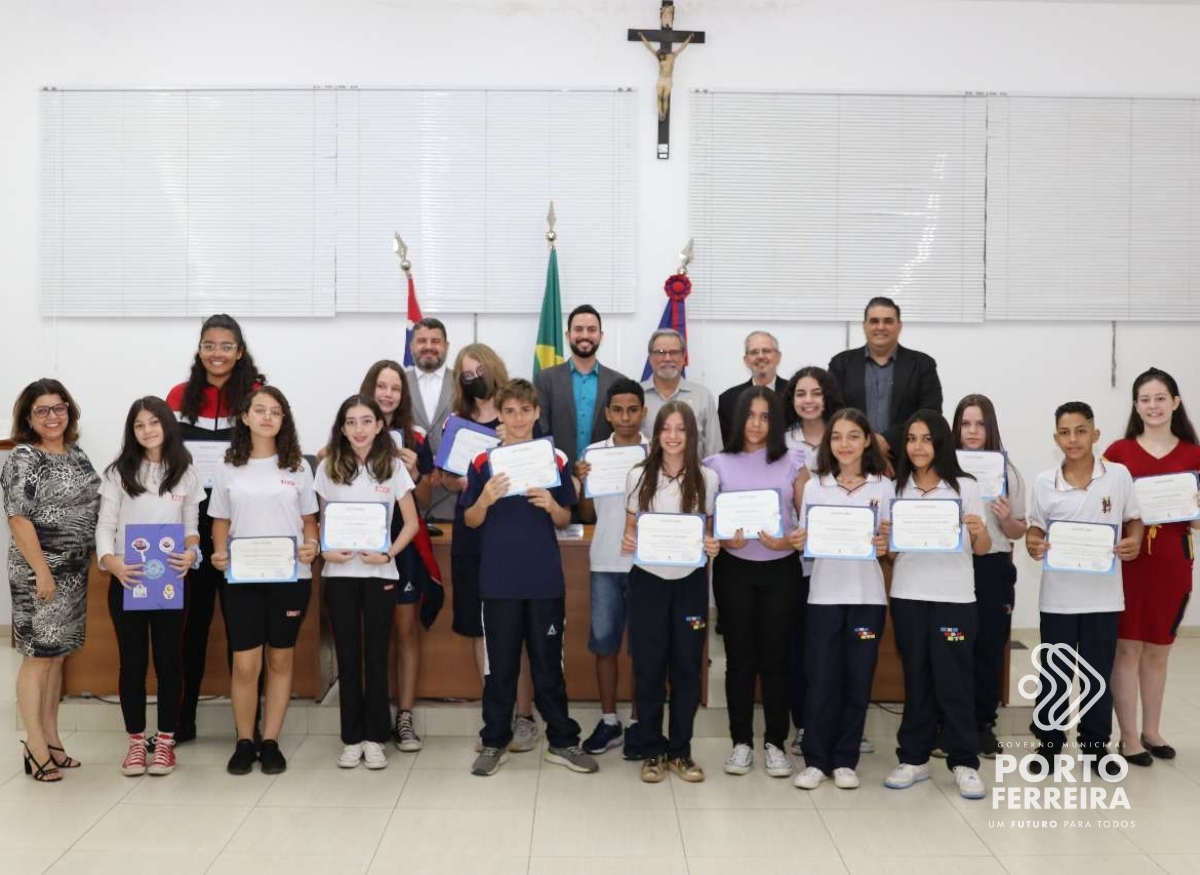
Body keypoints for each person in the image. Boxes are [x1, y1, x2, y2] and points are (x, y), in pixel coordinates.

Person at [463, 378, 597, 777]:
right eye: (510, 411)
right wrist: (485, 498)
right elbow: (470, 521)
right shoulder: (482, 463)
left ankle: (562, 741)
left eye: (525, 410)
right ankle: (494, 742)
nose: (518, 418)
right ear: (499, 417)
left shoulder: (553, 459)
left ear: (537, 413)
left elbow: (564, 518)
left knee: (547, 666)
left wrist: (553, 504)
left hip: (544, 582)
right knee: (499, 668)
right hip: (499, 582)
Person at [1026, 401, 1143, 774]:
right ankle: (1049, 745)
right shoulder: (1045, 481)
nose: (1072, 439)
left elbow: (1134, 521)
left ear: (1095, 434)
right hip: (1058, 598)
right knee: (1055, 676)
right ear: (1056, 437)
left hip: (1104, 598)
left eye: (1080, 431)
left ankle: (1095, 747)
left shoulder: (1119, 476)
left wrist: (1134, 542)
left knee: (1097, 674)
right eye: (1064, 432)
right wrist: (1033, 543)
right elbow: (1035, 528)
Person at [208, 386, 319, 776]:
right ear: (245, 417)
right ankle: (244, 740)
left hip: (290, 578)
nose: (267, 417)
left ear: (283, 419)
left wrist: (312, 546)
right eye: (260, 410)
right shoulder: (227, 465)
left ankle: (270, 741)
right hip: (242, 579)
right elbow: (219, 520)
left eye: (276, 411)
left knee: (280, 658)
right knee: (245, 664)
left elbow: (309, 522)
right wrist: (220, 553)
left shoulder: (299, 467)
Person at [166, 313, 266, 743]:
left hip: (243, 523)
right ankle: (183, 720)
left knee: (244, 627)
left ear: (239, 351)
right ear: (200, 349)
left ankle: (248, 726)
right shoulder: (176, 396)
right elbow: (164, 459)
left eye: (227, 346)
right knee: (193, 624)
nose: (218, 353)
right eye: (210, 344)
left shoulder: (258, 395)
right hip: (191, 522)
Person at [435, 343, 538, 751]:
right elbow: (442, 478)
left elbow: (541, 470)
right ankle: (497, 718)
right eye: (464, 372)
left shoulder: (516, 417)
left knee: (519, 629)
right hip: (471, 530)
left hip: (513, 531)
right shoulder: (455, 423)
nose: (472, 376)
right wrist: (457, 481)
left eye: (478, 369)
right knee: (480, 628)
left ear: (493, 368)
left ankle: (526, 717)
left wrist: (509, 445)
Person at [885, 410, 991, 800]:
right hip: (910, 595)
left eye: (926, 438)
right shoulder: (894, 488)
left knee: (954, 680)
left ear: (941, 442)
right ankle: (913, 759)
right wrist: (889, 541)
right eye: (911, 438)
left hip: (954, 597)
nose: (917, 446)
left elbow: (982, 549)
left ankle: (964, 762)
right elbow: (893, 555)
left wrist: (978, 532)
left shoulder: (965, 486)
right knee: (917, 678)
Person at [96, 397, 203, 777]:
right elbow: (105, 527)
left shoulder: (185, 471)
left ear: (167, 425)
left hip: (171, 580)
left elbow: (192, 528)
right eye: (139, 425)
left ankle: (166, 743)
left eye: (154, 423)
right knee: (133, 663)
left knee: (170, 662)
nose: (147, 431)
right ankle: (136, 743)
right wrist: (112, 562)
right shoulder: (117, 473)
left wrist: (193, 555)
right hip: (128, 579)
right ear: (132, 431)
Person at [3, 379, 101, 782]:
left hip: (75, 573)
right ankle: (35, 745)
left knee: (58, 658)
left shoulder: (76, 454)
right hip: (39, 573)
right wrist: (42, 571)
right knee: (38, 659)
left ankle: (53, 740)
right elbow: (18, 519)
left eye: (58, 408)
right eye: (42, 410)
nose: (52, 416)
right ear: (28, 417)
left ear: (69, 411)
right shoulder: (24, 458)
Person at [705, 387, 806, 779]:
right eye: (750, 415)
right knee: (740, 661)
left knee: (777, 660)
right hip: (735, 571)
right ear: (738, 419)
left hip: (781, 569)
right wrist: (721, 536)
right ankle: (741, 742)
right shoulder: (715, 464)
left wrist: (790, 540)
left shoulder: (794, 461)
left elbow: (807, 518)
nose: (757, 424)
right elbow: (707, 519)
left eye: (765, 416)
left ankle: (776, 744)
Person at [316, 395, 420, 771]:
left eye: (366, 421)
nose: (359, 429)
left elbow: (411, 522)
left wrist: (389, 554)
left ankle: (375, 737)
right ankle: (351, 739)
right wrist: (326, 549)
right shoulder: (328, 466)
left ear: (379, 426)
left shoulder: (392, 467)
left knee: (376, 656)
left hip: (380, 574)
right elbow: (322, 519)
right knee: (348, 656)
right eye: (351, 422)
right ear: (342, 429)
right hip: (340, 575)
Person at [793, 408, 892, 790]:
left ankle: (845, 758)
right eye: (837, 437)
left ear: (867, 440)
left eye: (853, 436)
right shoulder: (816, 486)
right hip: (824, 597)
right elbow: (806, 539)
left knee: (857, 678)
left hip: (867, 597)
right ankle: (816, 759)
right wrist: (800, 541)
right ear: (827, 443)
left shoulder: (882, 486)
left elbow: (890, 544)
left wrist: (886, 543)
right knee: (820, 678)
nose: (845, 444)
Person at [1104, 370, 1199, 765]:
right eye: (1145, 399)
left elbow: (1195, 521)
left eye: (1161, 398)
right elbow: (1102, 506)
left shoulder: (1194, 455)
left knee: (1159, 650)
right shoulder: (1118, 453)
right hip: (1129, 563)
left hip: (1172, 564)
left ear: (1176, 402)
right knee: (1127, 650)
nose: (1153, 406)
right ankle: (1128, 738)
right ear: (1135, 405)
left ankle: (1153, 730)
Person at [623, 401, 720, 783]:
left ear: (691, 434)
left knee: (685, 668)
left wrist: (712, 544)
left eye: (682, 429)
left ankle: (681, 751)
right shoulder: (637, 475)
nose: (674, 436)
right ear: (657, 432)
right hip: (648, 579)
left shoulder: (707, 479)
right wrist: (629, 539)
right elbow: (630, 529)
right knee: (648, 668)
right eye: (667, 428)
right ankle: (651, 749)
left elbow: (709, 531)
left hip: (690, 583)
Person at [359, 360, 434, 752]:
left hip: (402, 547)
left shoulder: (416, 437)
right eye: (381, 386)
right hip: (359, 546)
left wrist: (417, 471)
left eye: (395, 388)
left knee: (405, 630)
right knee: (371, 633)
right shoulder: (352, 430)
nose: (387, 394)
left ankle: (404, 716)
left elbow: (425, 500)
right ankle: (373, 714)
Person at [951, 394, 1028, 759]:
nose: (972, 431)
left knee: (987, 647)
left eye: (980, 424)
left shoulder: (1008, 472)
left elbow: (1017, 532)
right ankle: (948, 724)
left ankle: (983, 723)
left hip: (993, 567)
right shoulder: (943, 467)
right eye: (966, 424)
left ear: (991, 427)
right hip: (952, 567)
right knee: (952, 648)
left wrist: (1006, 518)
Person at [574, 378, 648, 757]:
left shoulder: (657, 451)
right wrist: (583, 484)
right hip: (604, 560)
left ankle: (637, 723)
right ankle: (608, 721)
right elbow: (587, 514)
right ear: (606, 413)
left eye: (632, 409)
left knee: (641, 648)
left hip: (647, 564)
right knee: (604, 644)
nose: (625, 417)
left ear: (643, 412)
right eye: (617, 410)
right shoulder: (594, 453)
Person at [780, 364, 847, 755]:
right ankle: (804, 724)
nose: (808, 400)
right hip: (795, 562)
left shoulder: (847, 434)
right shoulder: (782, 441)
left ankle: (839, 721)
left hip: (840, 561)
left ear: (827, 396)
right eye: (801, 393)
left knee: (835, 647)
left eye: (815, 393)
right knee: (801, 648)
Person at [828, 297, 942, 462]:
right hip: (851, 461)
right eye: (874, 321)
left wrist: (887, 441)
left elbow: (930, 413)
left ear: (899, 326)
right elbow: (833, 411)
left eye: (888, 321)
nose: (880, 327)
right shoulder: (841, 364)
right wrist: (867, 444)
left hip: (907, 460)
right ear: (864, 326)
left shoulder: (922, 365)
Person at [534, 304, 628, 470]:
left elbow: (623, 432)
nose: (585, 335)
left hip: (603, 476)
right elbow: (541, 431)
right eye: (578, 329)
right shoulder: (545, 379)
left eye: (592, 329)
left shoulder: (618, 382)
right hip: (559, 477)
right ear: (568, 335)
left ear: (601, 335)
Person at [641, 329, 721, 458]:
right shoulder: (637, 397)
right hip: (647, 476)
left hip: (694, 477)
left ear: (684, 357)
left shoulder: (702, 396)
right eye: (660, 352)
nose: (667, 358)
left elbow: (714, 451)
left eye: (674, 352)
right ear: (650, 358)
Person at [407, 317, 456, 521]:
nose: (428, 347)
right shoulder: (395, 386)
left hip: (453, 500)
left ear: (446, 346)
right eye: (422, 341)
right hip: (410, 501)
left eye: (435, 341)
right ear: (411, 347)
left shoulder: (463, 383)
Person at [717, 331, 788, 445]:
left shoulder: (794, 394)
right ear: (746, 360)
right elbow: (727, 446)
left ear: (778, 357)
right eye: (754, 352)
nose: (760, 356)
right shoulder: (728, 400)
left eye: (766, 351)